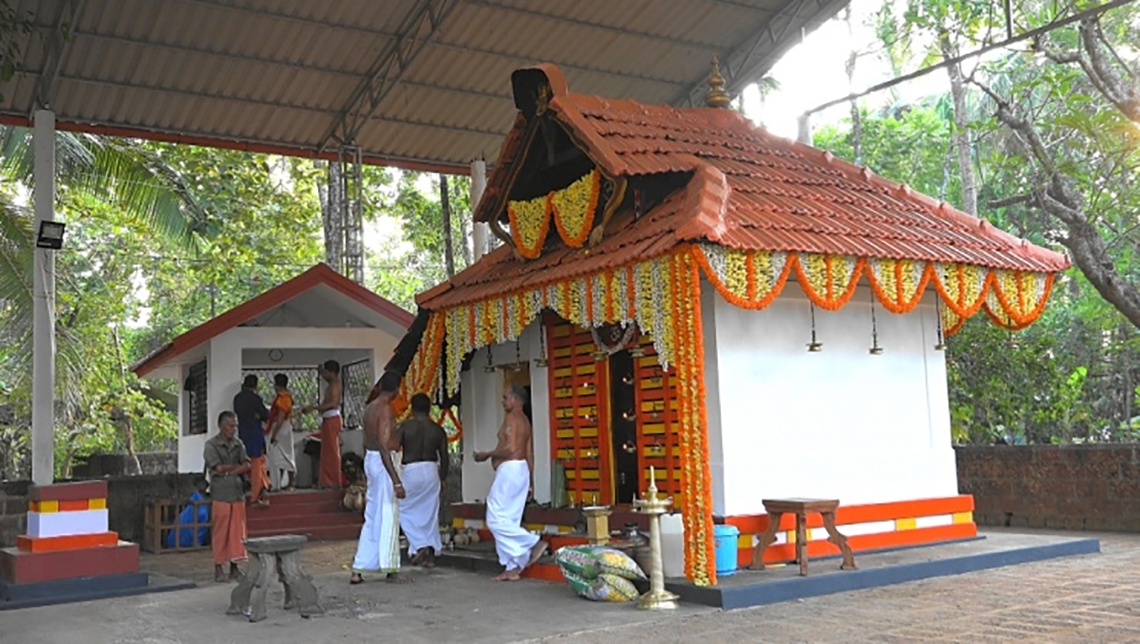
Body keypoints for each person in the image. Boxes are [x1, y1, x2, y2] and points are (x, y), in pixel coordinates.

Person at [474, 385, 547, 581]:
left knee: (494, 518)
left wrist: (486, 454)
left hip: (510, 470)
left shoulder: (512, 418)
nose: (503, 401)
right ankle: (512, 567)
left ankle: (533, 543)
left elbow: (511, 448)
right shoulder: (526, 422)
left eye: (505, 397)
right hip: (521, 470)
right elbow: (529, 454)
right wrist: (530, 481)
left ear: (515, 399)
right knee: (509, 519)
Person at [350, 371, 409, 585]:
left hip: (372, 460)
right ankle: (391, 569)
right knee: (388, 515)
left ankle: (359, 568)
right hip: (383, 463)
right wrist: (396, 481)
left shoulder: (370, 407)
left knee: (373, 516)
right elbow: (384, 445)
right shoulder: (384, 409)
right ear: (396, 390)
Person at [396, 393, 449, 568]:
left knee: (402, 509)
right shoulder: (438, 429)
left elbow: (393, 447)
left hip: (412, 470)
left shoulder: (405, 427)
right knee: (430, 513)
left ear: (412, 408)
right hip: (431, 470)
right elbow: (445, 457)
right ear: (429, 409)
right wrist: (443, 478)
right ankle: (430, 556)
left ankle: (420, 545)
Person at [203, 410, 251, 583]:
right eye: (231, 426)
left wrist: (228, 471)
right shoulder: (211, 445)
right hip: (221, 493)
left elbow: (247, 464)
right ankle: (218, 567)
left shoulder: (238, 444)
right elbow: (217, 468)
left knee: (237, 532)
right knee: (221, 531)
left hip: (237, 493)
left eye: (235, 426)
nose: (233, 429)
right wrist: (236, 469)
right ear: (221, 426)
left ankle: (234, 567)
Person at [303, 360, 343, 488]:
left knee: (332, 451)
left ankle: (334, 481)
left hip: (332, 419)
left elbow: (333, 403)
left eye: (325, 373)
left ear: (332, 372)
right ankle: (326, 481)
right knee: (326, 452)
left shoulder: (335, 385)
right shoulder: (331, 385)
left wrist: (314, 408)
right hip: (327, 419)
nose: (323, 376)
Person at [234, 375, 270, 507]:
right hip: (255, 433)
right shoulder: (255, 399)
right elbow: (266, 415)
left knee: (244, 463)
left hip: (242, 433)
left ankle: (257, 489)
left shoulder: (237, 398)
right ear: (255, 386)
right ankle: (256, 495)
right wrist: (258, 416)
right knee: (257, 465)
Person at [265, 373, 296, 491]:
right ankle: (278, 483)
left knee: (286, 456)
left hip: (282, 429)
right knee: (279, 457)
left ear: (277, 385)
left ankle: (291, 483)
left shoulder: (283, 398)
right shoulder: (284, 397)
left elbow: (281, 418)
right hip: (282, 428)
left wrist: (274, 434)